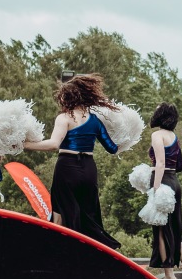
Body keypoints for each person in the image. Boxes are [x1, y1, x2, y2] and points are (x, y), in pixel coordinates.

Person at [23, 73, 120, 248]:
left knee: (60, 210)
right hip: (89, 169)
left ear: (68, 96)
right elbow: (112, 148)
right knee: (88, 213)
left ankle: (57, 250)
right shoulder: (95, 121)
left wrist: (26, 144)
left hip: (67, 167)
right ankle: (92, 251)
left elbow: (54, 144)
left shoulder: (65, 117)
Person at [147, 103, 182, 279]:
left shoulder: (157, 135)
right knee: (173, 228)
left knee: (161, 230)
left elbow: (160, 163)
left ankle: (169, 275)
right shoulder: (173, 136)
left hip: (163, 182)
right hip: (174, 182)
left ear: (160, 115)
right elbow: (179, 165)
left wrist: (156, 188)